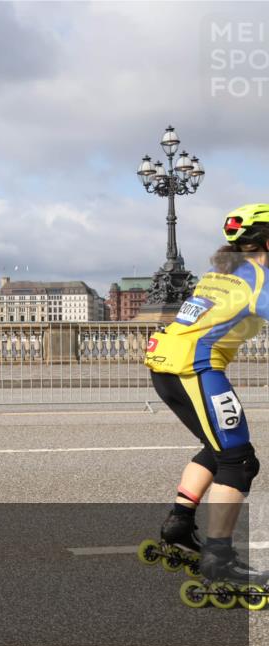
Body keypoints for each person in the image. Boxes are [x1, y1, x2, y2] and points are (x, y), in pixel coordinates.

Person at [145, 203, 269, 585]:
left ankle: (179, 525)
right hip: (196, 370)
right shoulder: (260, 277)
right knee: (240, 462)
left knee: (217, 449)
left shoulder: (222, 273)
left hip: (166, 364)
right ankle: (220, 558)